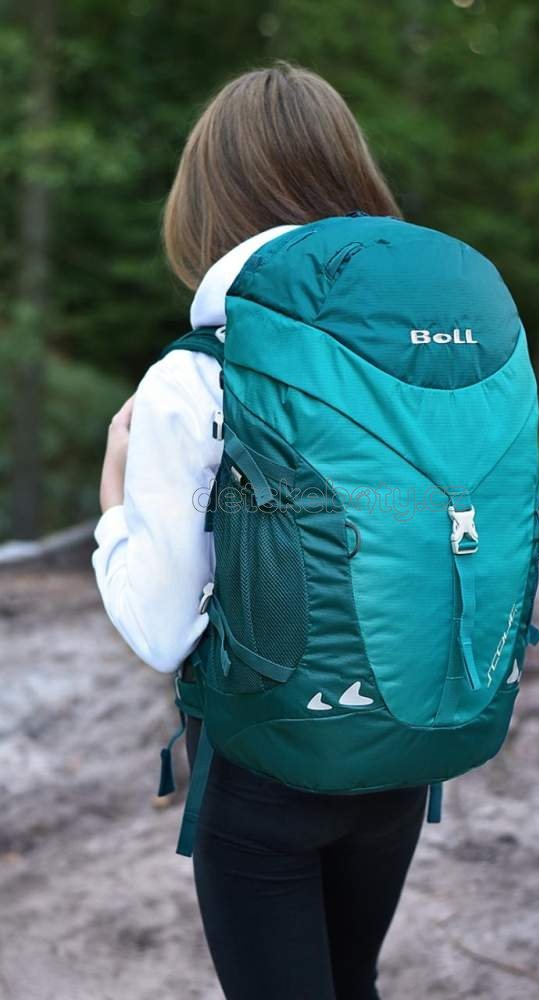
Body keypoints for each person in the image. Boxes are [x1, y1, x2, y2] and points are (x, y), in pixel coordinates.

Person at [93, 62, 428, 1000]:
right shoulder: (418, 358)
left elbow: (162, 631)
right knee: (352, 981)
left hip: (265, 767)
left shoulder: (197, 374)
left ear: (209, 200)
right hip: (404, 739)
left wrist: (115, 498)